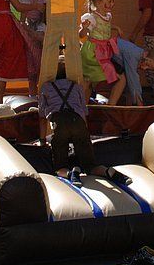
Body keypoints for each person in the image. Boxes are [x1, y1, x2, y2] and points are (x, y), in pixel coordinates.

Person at [39, 57, 131, 188]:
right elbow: (83, 112)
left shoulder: (46, 87)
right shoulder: (76, 87)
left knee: (60, 167)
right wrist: (86, 134)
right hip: (78, 121)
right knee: (90, 165)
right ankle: (107, 171)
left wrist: (42, 140)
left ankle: (71, 172)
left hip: (59, 123)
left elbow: (42, 117)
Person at [79, 0, 126, 107]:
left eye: (112, 1)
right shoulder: (92, 18)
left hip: (104, 52)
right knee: (88, 80)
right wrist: (84, 28)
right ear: (98, 2)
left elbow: (105, 25)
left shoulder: (107, 16)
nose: (112, 4)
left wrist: (116, 28)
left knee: (89, 81)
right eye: (109, 1)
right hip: (93, 53)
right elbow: (82, 35)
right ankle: (82, 107)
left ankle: (107, 106)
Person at [15, 0, 46, 97]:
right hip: (31, 27)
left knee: (43, 62)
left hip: (42, 25)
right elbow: (22, 20)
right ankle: (32, 94)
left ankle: (44, 92)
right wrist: (28, 31)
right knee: (32, 62)